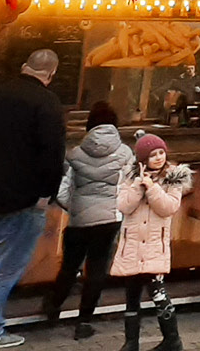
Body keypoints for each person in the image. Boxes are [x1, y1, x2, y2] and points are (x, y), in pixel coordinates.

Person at [0, 48, 66, 350]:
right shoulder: (47, 103)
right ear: (52, 73)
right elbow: (52, 155)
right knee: (2, 269)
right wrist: (46, 194)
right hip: (19, 199)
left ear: (24, 66)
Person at [43, 102, 130, 338]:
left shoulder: (75, 153)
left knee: (70, 266)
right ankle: (84, 322)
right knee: (97, 268)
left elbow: (62, 191)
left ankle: (53, 307)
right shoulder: (125, 153)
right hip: (109, 219)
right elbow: (128, 188)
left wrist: (76, 208)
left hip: (79, 221)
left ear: (90, 125)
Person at [108, 134, 189, 351]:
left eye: (161, 153)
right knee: (131, 293)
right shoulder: (129, 176)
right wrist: (138, 185)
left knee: (158, 292)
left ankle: (173, 339)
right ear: (143, 158)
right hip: (132, 245)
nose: (158, 158)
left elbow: (169, 207)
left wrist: (152, 188)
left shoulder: (173, 177)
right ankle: (131, 341)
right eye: (153, 155)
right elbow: (123, 205)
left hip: (154, 245)